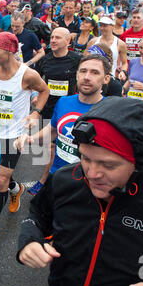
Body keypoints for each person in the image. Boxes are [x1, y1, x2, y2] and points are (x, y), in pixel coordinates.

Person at [17, 96, 143, 286]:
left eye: (109, 165)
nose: (92, 173)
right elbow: (37, 214)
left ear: (138, 163)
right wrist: (29, 240)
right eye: (85, 158)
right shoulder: (67, 179)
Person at [0, 32, 50, 243]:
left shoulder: (27, 75)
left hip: (14, 135)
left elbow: (44, 91)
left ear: (9, 51)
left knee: (0, 181)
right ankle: (16, 189)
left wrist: (36, 112)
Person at [29, 27, 81, 195]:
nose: (53, 40)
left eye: (58, 37)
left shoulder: (76, 59)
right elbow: (34, 80)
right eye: (52, 37)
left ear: (68, 41)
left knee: (61, 149)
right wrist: (35, 95)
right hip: (49, 108)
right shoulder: (45, 60)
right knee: (48, 149)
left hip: (70, 110)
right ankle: (51, 179)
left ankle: (46, 181)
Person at [122, 35, 143, 101]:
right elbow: (129, 80)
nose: (142, 51)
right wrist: (123, 89)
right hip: (131, 104)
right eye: (141, 48)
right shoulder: (133, 62)